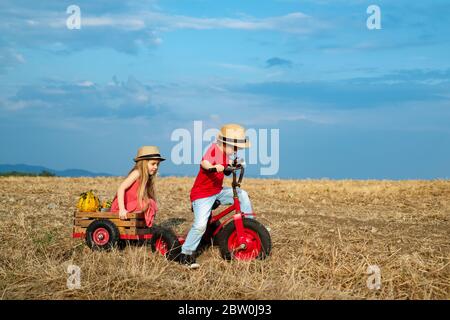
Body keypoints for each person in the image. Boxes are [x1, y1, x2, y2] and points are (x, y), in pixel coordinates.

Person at [179, 124, 253, 268]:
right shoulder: (214, 149)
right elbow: (204, 162)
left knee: (242, 194)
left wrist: (233, 164)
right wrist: (214, 167)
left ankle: (249, 225)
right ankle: (186, 254)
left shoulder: (226, 155)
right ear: (225, 143)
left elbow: (225, 171)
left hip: (217, 191)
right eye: (234, 147)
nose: (236, 150)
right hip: (202, 195)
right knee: (200, 225)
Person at [110, 146, 165, 227]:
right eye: (153, 164)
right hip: (124, 204)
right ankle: (146, 224)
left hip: (133, 203)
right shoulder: (137, 172)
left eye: (157, 164)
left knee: (151, 202)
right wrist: (122, 209)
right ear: (144, 163)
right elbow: (121, 188)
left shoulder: (146, 177)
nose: (156, 167)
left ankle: (142, 224)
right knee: (149, 203)